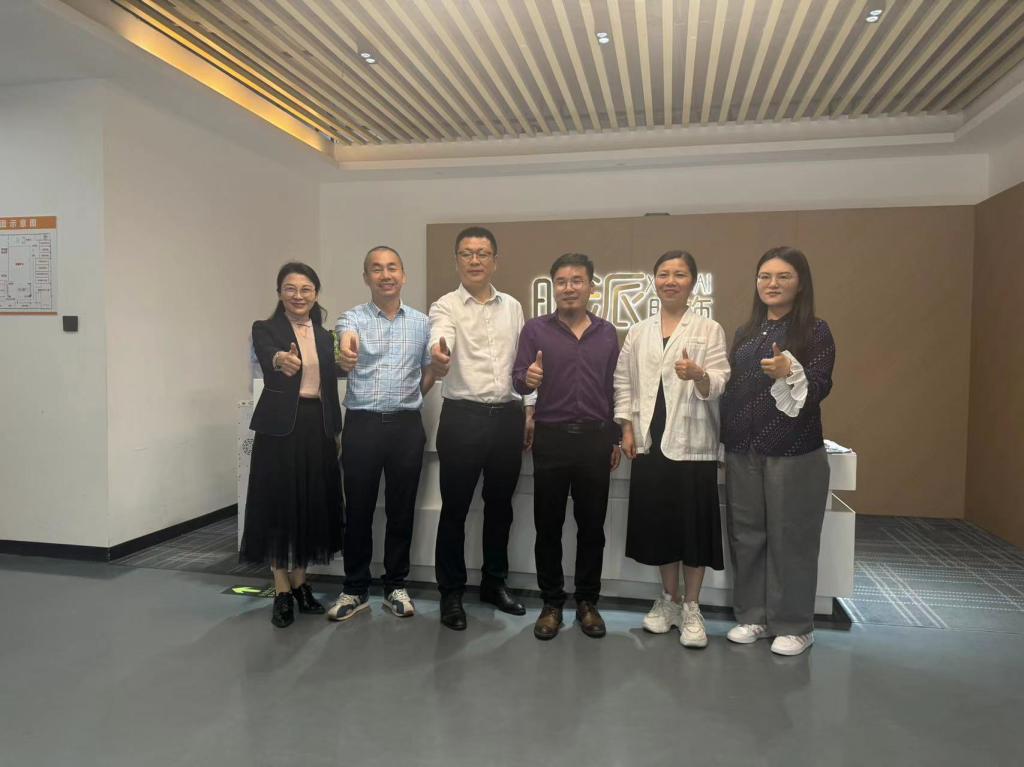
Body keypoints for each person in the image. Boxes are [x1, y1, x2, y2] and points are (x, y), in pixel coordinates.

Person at [720, 246, 836, 656]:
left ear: (800, 283)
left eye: (783, 276)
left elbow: (819, 386)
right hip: (742, 449)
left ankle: (794, 625)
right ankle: (752, 615)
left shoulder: (815, 331)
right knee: (746, 534)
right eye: (765, 276)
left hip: (794, 451)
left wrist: (791, 371)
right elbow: (733, 388)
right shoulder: (746, 332)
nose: (772, 284)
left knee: (792, 537)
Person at [613, 251, 730, 648]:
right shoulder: (638, 331)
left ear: (692, 282)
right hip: (650, 441)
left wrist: (699, 374)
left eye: (679, 274)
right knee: (662, 525)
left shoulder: (709, 329)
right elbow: (624, 381)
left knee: (693, 527)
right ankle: (669, 600)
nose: (671, 280)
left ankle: (692, 608)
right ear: (655, 281)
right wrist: (626, 427)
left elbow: (721, 381)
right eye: (663, 274)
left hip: (693, 443)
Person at [428, 226, 534, 631]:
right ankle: (451, 592)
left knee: (500, 508)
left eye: (482, 253)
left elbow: (523, 364)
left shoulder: (513, 307)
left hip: (507, 418)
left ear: (495, 261)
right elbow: (441, 338)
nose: (475, 260)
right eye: (467, 253)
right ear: (457, 260)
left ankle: (494, 583)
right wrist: (439, 355)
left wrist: (528, 409)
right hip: (462, 418)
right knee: (454, 510)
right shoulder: (445, 305)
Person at [513, 253, 621, 640]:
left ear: (591, 286)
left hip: (595, 438)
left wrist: (615, 435)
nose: (569, 287)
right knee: (549, 526)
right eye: (561, 281)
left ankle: (588, 602)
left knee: (592, 527)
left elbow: (615, 387)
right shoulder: (535, 330)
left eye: (577, 280)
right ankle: (552, 603)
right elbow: (518, 379)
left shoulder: (607, 333)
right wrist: (528, 379)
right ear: (553, 288)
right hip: (551, 438)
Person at [326, 246, 435, 622]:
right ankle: (354, 588)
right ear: (366, 277)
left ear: (403, 275)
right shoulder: (351, 318)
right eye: (376, 269)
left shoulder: (422, 323)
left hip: (406, 426)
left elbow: (428, 373)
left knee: (401, 510)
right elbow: (345, 347)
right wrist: (345, 355)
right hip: (363, 425)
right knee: (357, 510)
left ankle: (395, 585)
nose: (385, 275)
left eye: (392, 268)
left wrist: (424, 384)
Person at [239, 262, 343, 628]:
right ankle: (282, 589)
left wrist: (336, 431)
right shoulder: (265, 329)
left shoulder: (325, 335)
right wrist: (280, 359)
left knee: (309, 505)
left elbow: (333, 380)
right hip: (281, 430)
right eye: (290, 288)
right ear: (280, 293)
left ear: (316, 294)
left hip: (318, 426)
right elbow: (270, 354)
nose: (298, 295)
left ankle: (301, 582)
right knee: (279, 505)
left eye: (306, 289)